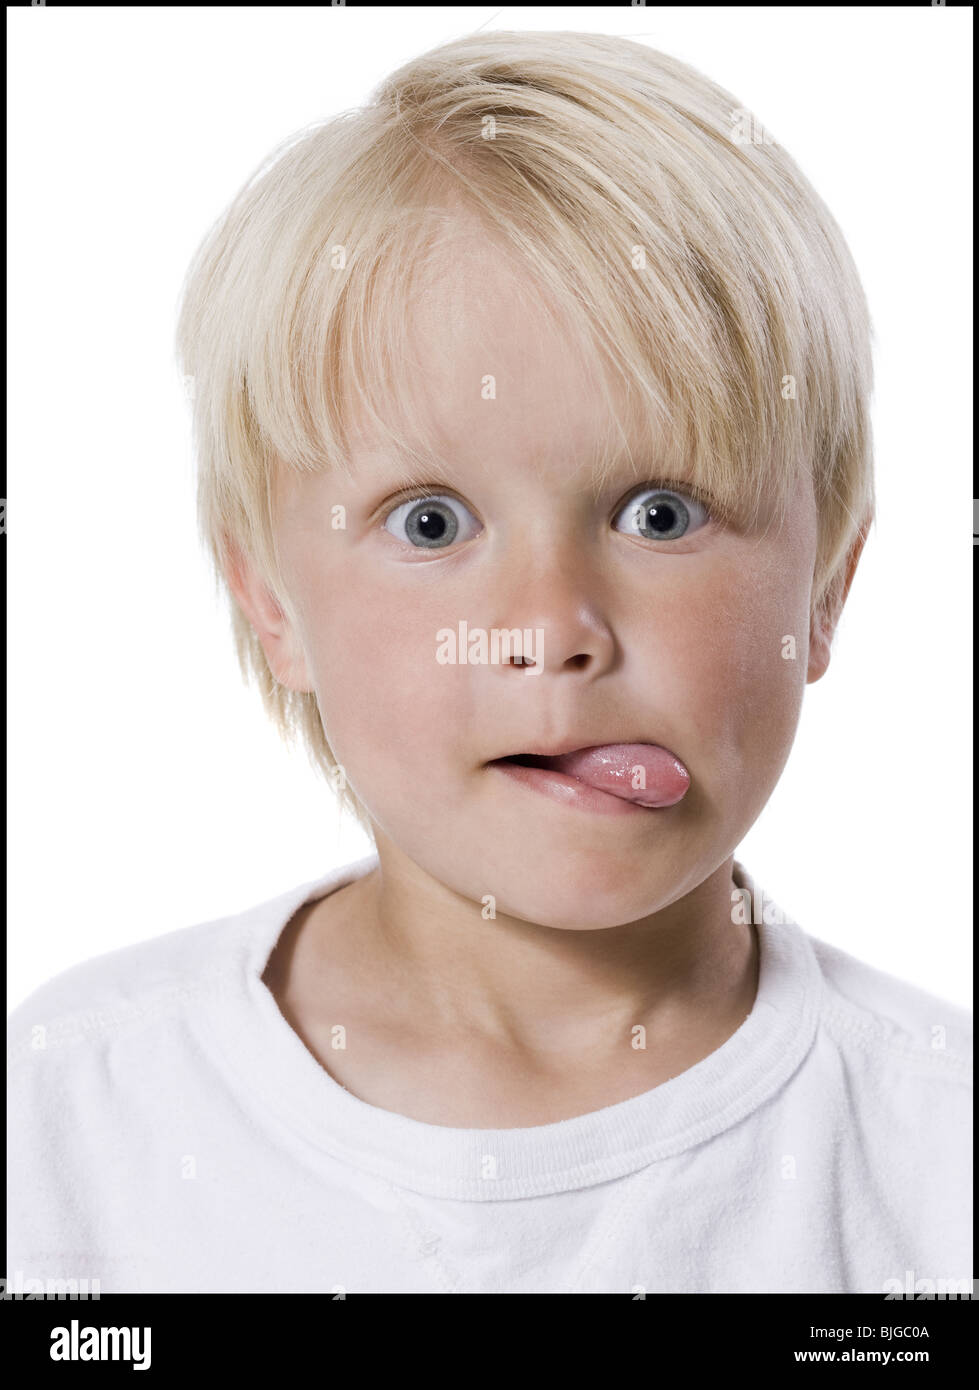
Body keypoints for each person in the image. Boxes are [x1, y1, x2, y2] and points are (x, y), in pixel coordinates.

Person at [7, 29, 971, 1295]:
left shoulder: (933, 1157)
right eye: (431, 522)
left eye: (660, 513)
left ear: (828, 586)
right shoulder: (73, 1117)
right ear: (269, 599)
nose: (553, 626)